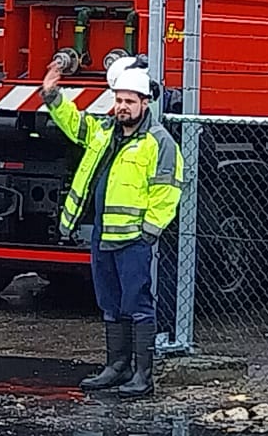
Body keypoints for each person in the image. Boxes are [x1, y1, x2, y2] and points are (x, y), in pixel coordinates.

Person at [41, 53, 184, 397]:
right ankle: (116, 367)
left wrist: (149, 232)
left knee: (137, 304)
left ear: (143, 103)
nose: (122, 107)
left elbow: (167, 191)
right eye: (118, 100)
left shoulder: (158, 142)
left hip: (133, 239)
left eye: (129, 102)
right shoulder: (104, 131)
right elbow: (73, 124)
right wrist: (52, 96)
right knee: (110, 302)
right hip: (103, 236)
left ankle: (142, 375)